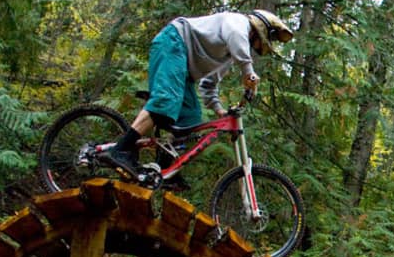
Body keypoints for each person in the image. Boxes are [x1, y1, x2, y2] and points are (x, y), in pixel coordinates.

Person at [98, 9, 293, 179]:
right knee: (166, 101)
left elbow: (209, 85)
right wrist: (248, 71)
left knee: (191, 121)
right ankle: (120, 149)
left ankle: (163, 169)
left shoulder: (228, 56)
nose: (255, 48)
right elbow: (236, 36)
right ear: (260, 29)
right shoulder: (237, 22)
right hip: (174, 42)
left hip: (184, 71)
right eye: (262, 41)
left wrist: (219, 110)